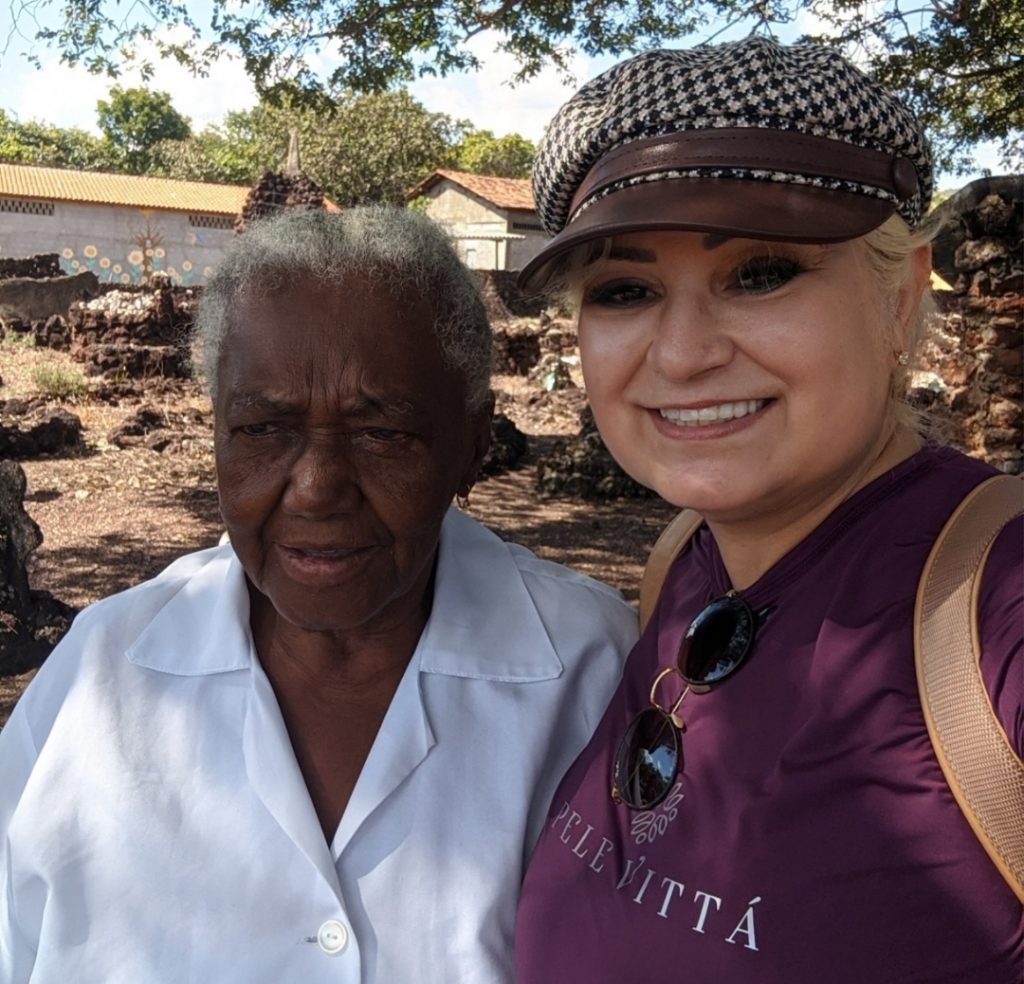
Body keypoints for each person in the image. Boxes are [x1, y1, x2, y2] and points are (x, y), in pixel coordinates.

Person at [0, 207, 638, 982]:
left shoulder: (597, 670)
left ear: (474, 444)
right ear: (218, 437)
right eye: (264, 429)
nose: (316, 489)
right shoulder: (101, 676)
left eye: (383, 433)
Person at [513, 37, 1022, 983]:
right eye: (626, 291)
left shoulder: (996, 613)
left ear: (901, 299)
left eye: (761, 274)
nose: (682, 353)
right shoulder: (683, 568)